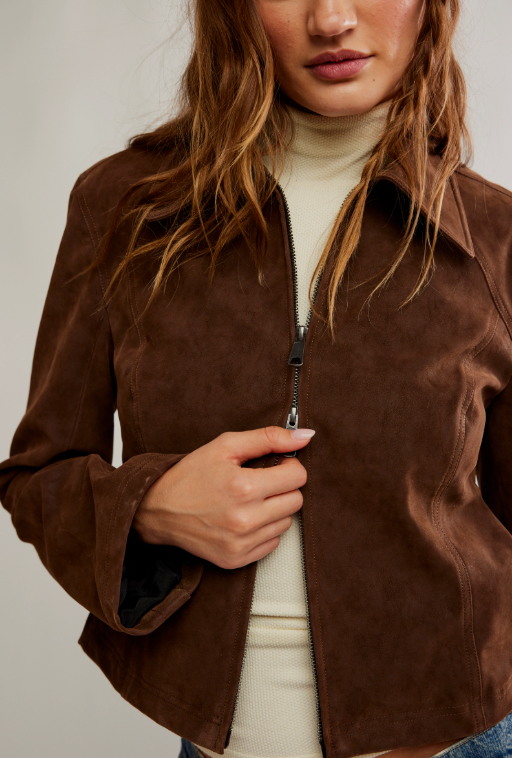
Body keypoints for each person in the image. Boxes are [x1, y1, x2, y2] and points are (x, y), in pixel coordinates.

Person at [3, 0, 512, 757]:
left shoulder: (497, 240)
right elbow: (36, 475)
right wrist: (148, 507)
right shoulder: (123, 208)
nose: (331, 18)